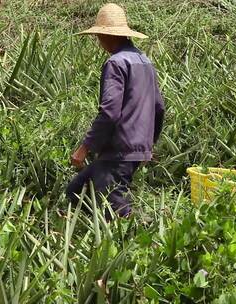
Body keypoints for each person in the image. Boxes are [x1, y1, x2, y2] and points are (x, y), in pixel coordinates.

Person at [66, 3, 165, 220]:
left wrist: (84, 148)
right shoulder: (145, 62)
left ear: (107, 36)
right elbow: (159, 107)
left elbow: (109, 112)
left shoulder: (116, 63)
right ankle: (93, 234)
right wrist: (149, 144)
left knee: (117, 211)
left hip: (119, 150)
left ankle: (141, 240)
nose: (99, 42)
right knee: (76, 191)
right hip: (135, 149)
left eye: (99, 36)